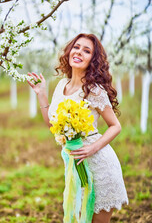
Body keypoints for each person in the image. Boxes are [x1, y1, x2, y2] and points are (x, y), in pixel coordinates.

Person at [27, 33, 129, 223]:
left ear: (93, 59)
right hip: (74, 167)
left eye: (87, 50)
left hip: (100, 165)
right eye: (76, 47)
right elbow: (52, 124)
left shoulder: (94, 89)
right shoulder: (61, 85)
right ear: (69, 51)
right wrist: (41, 93)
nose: (79, 52)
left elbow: (115, 126)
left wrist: (92, 148)